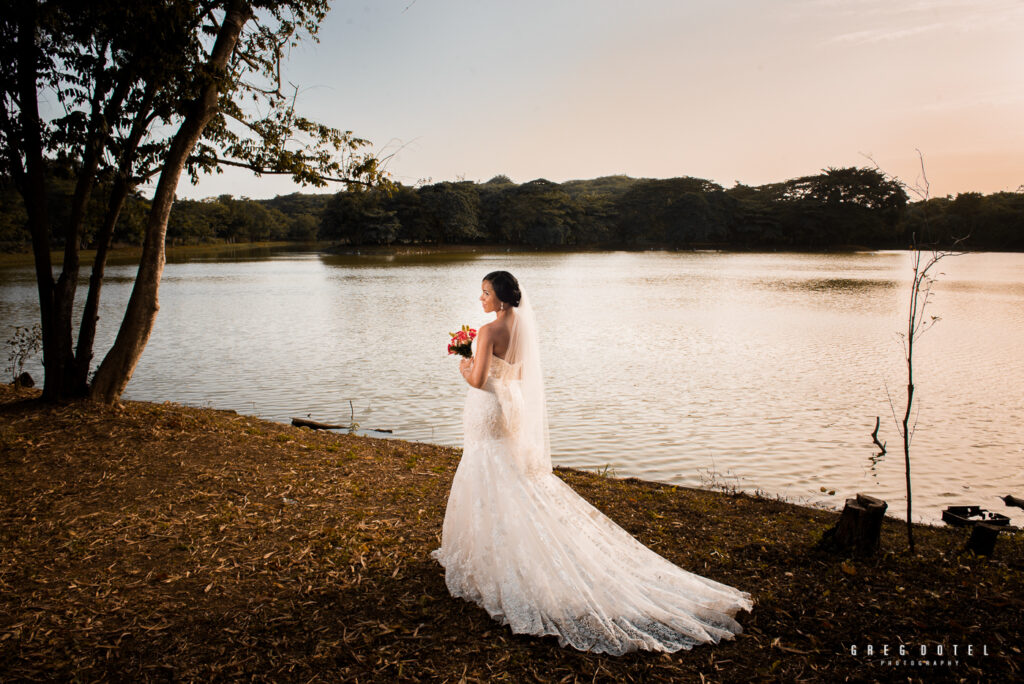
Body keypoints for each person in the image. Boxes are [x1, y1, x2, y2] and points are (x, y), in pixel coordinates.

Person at [431, 271, 752, 655]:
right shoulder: (523, 328)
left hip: (487, 410)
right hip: (508, 409)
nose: (480, 299)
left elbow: (480, 378)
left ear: (500, 298)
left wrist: (464, 367)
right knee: (507, 475)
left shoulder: (487, 330)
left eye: (485, 293)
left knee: (486, 471)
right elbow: (520, 376)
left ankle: (490, 559)